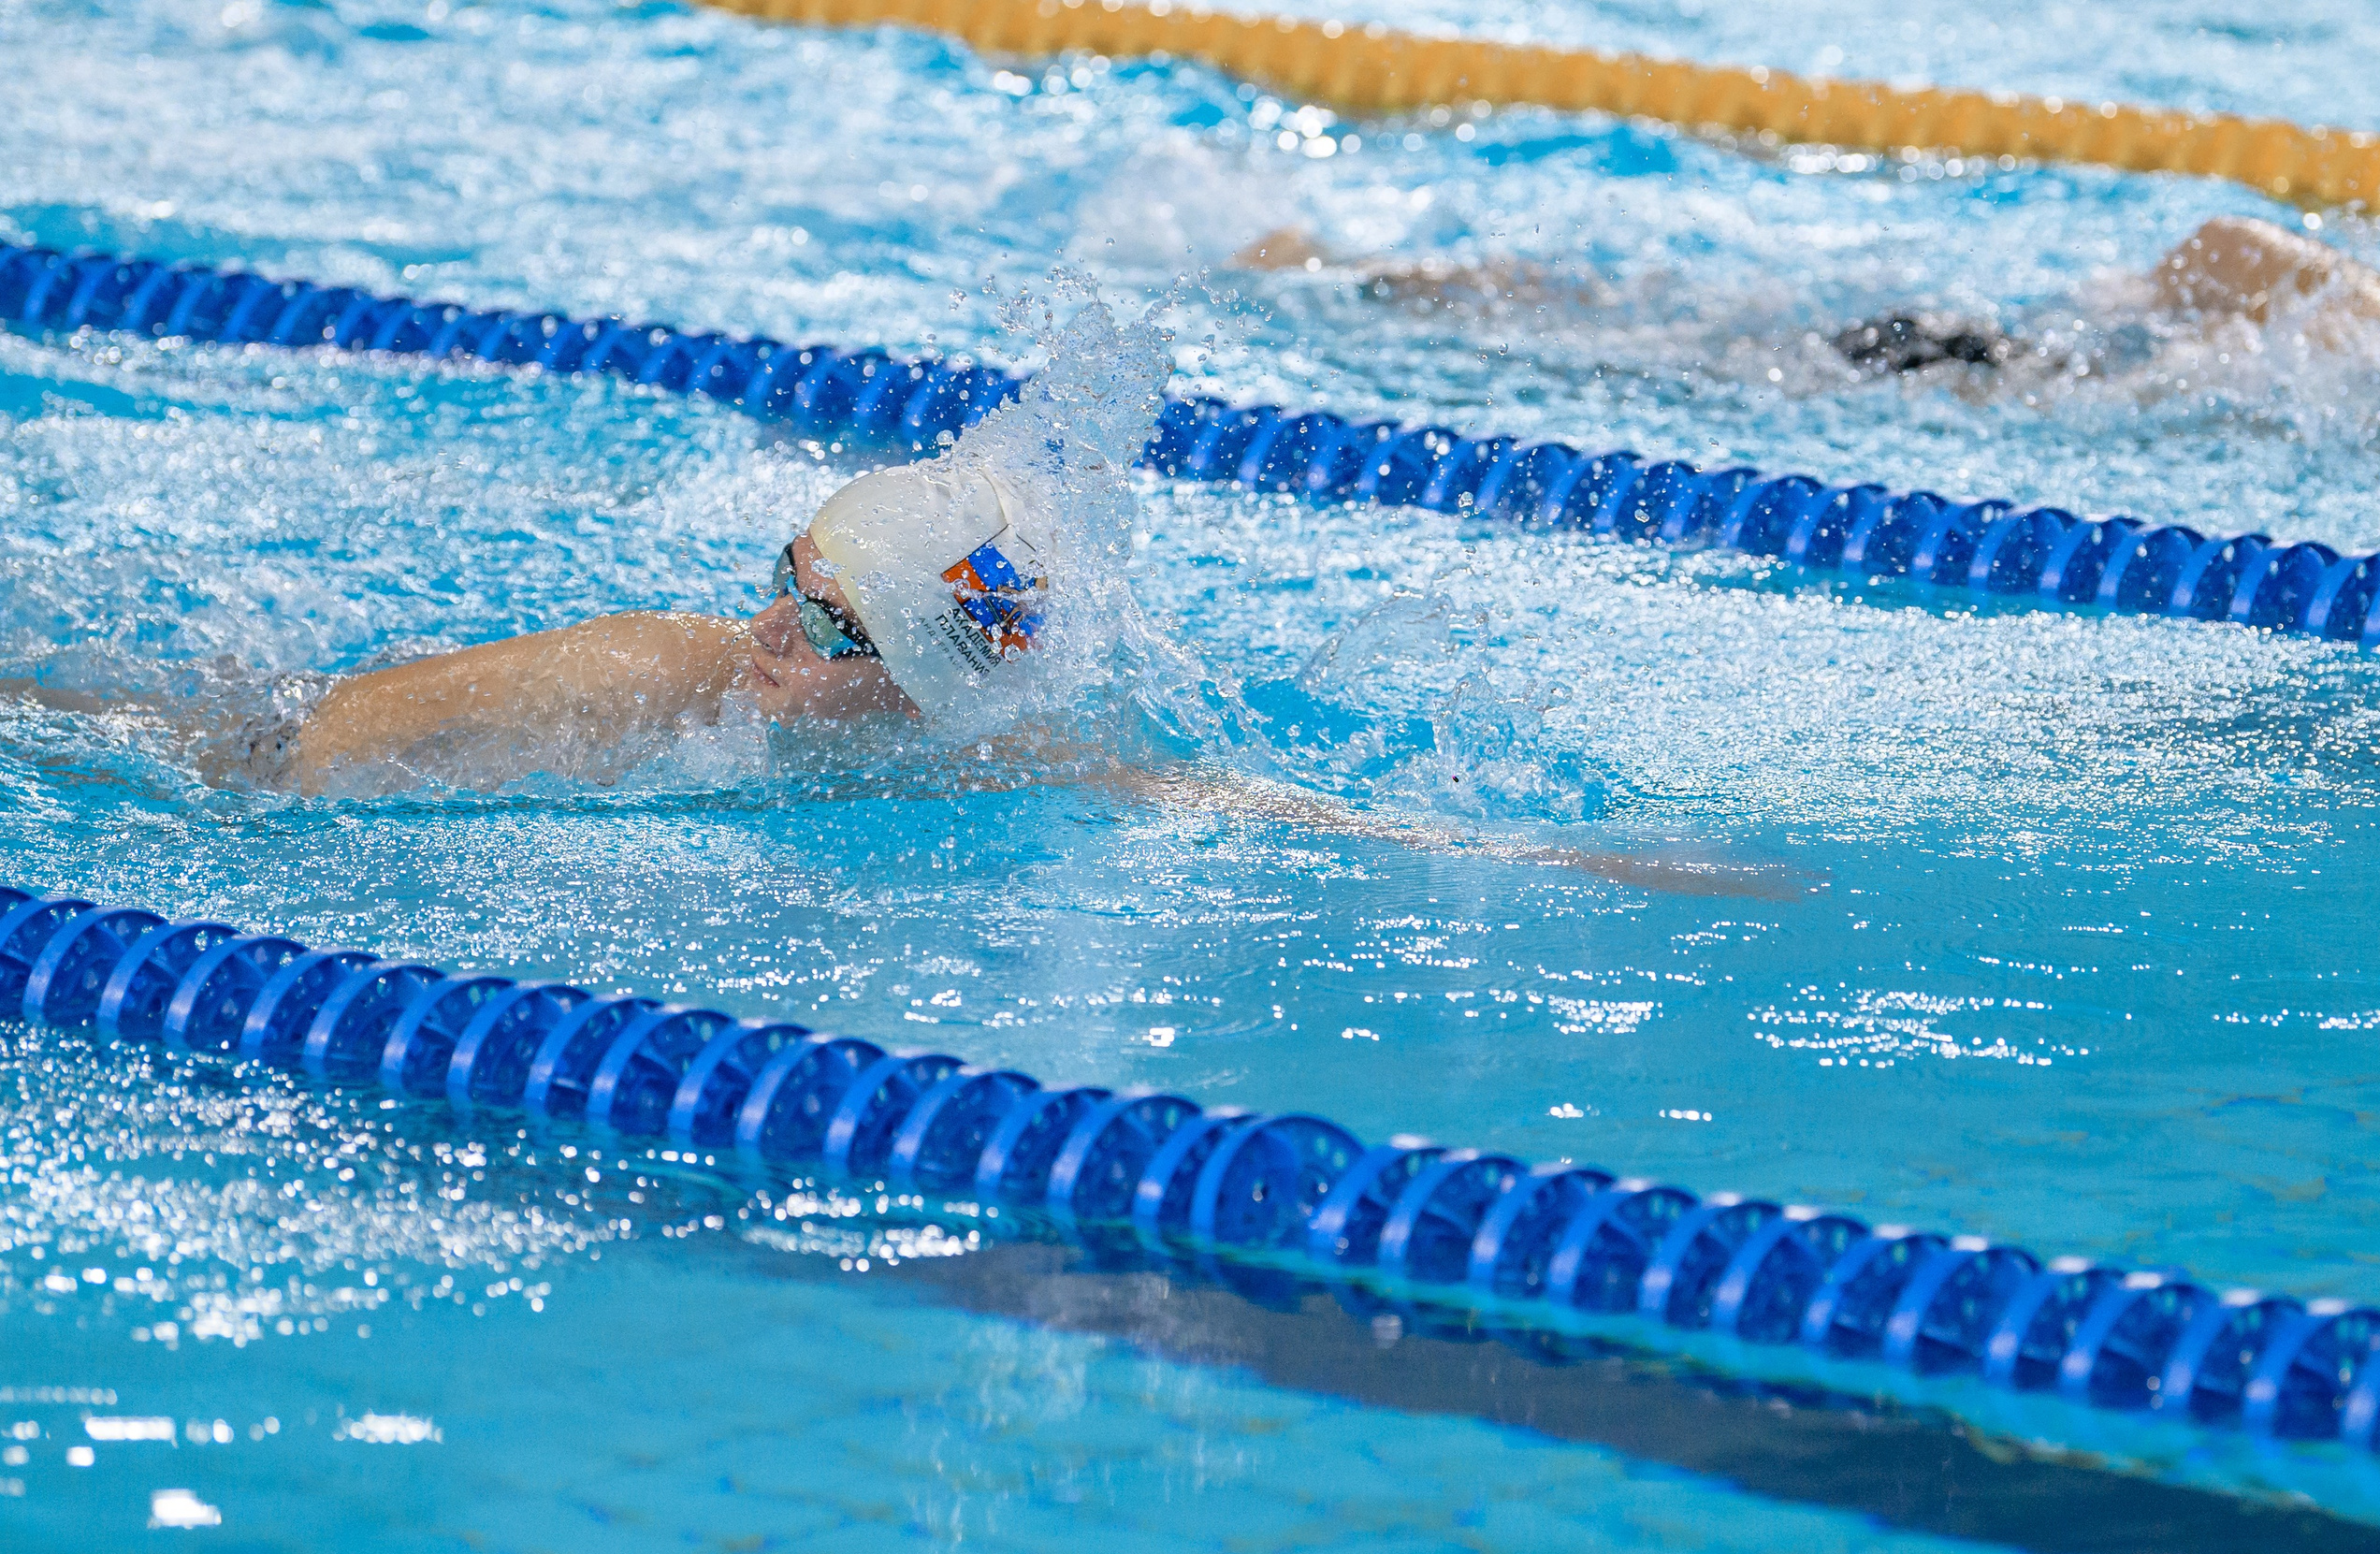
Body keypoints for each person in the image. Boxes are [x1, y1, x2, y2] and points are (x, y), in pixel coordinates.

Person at [4, 450, 1799, 901]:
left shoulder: (982, 761)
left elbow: (1234, 798)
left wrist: (1570, 864)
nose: (779, 638)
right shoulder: (648, 685)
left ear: (931, 693)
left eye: (839, 631)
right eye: (791, 585)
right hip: (232, 748)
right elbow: (296, 772)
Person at [1228, 213, 2380, 374]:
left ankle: (1347, 273)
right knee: (1646, 347)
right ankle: (1342, 277)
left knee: (1645, 335)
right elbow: (2217, 243)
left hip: (2008, 361)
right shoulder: (2374, 326)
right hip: (1985, 369)